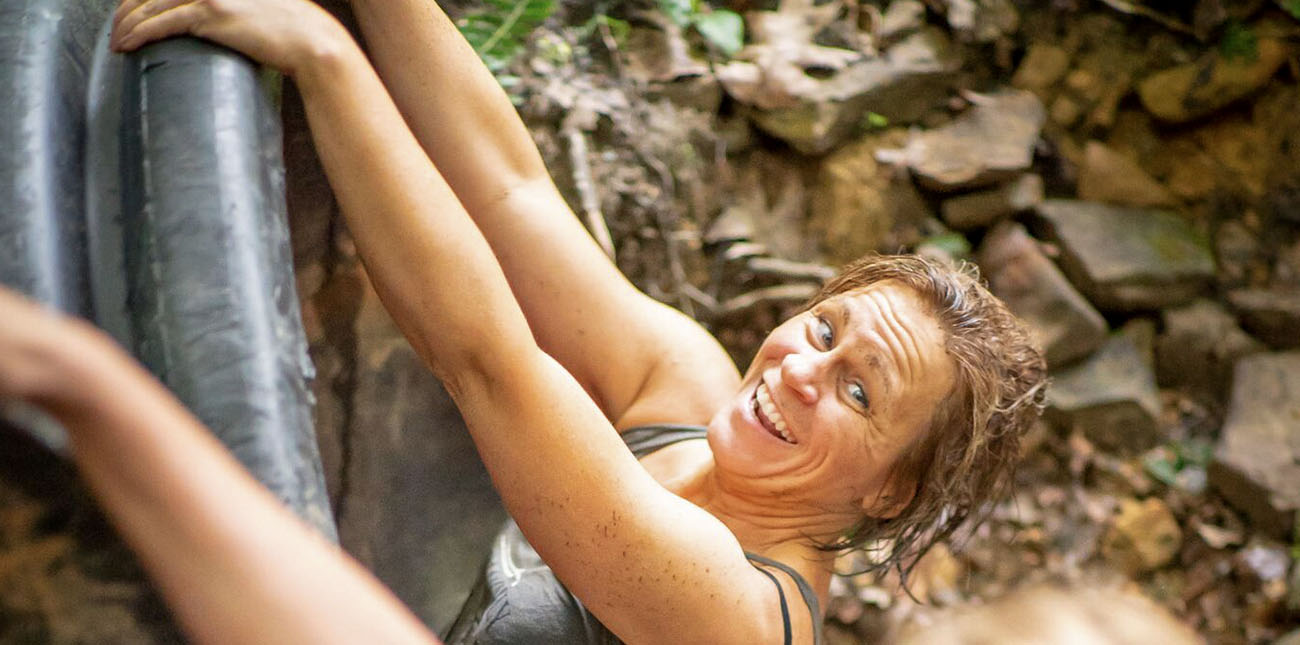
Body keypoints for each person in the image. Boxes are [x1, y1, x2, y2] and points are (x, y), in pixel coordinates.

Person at [0, 0, 1047, 642]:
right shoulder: (690, 381)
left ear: (889, 489)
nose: (802, 370)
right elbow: (511, 194)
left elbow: (487, 362)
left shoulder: (738, 619)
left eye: (860, 393)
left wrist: (327, 56)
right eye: (823, 331)